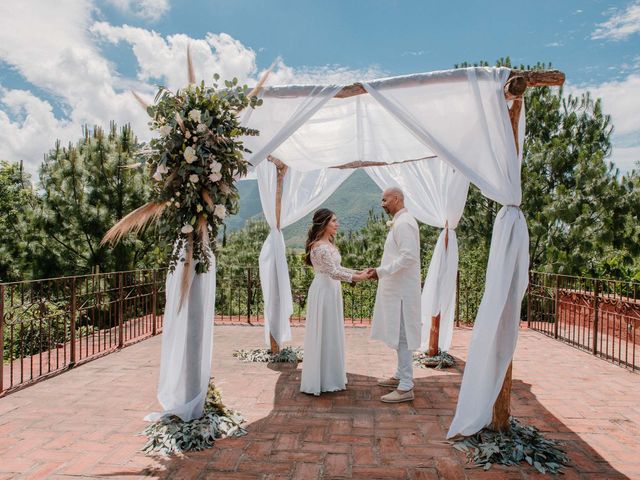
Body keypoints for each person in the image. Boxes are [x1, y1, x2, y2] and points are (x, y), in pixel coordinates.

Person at [300, 209, 369, 395]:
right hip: (324, 291)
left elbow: (337, 267)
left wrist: (358, 272)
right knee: (325, 330)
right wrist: (357, 279)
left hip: (331, 289)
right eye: (334, 221)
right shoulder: (319, 247)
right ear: (324, 224)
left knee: (331, 330)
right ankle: (323, 379)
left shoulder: (328, 244)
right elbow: (333, 272)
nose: (337, 224)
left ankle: (331, 374)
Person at [365, 187, 422, 403]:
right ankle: (400, 374)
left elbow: (409, 257)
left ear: (396, 199)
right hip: (397, 290)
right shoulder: (401, 221)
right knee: (399, 334)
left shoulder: (404, 223)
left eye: (385, 199)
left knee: (403, 334)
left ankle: (406, 385)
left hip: (402, 292)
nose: (382, 204)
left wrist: (381, 272)